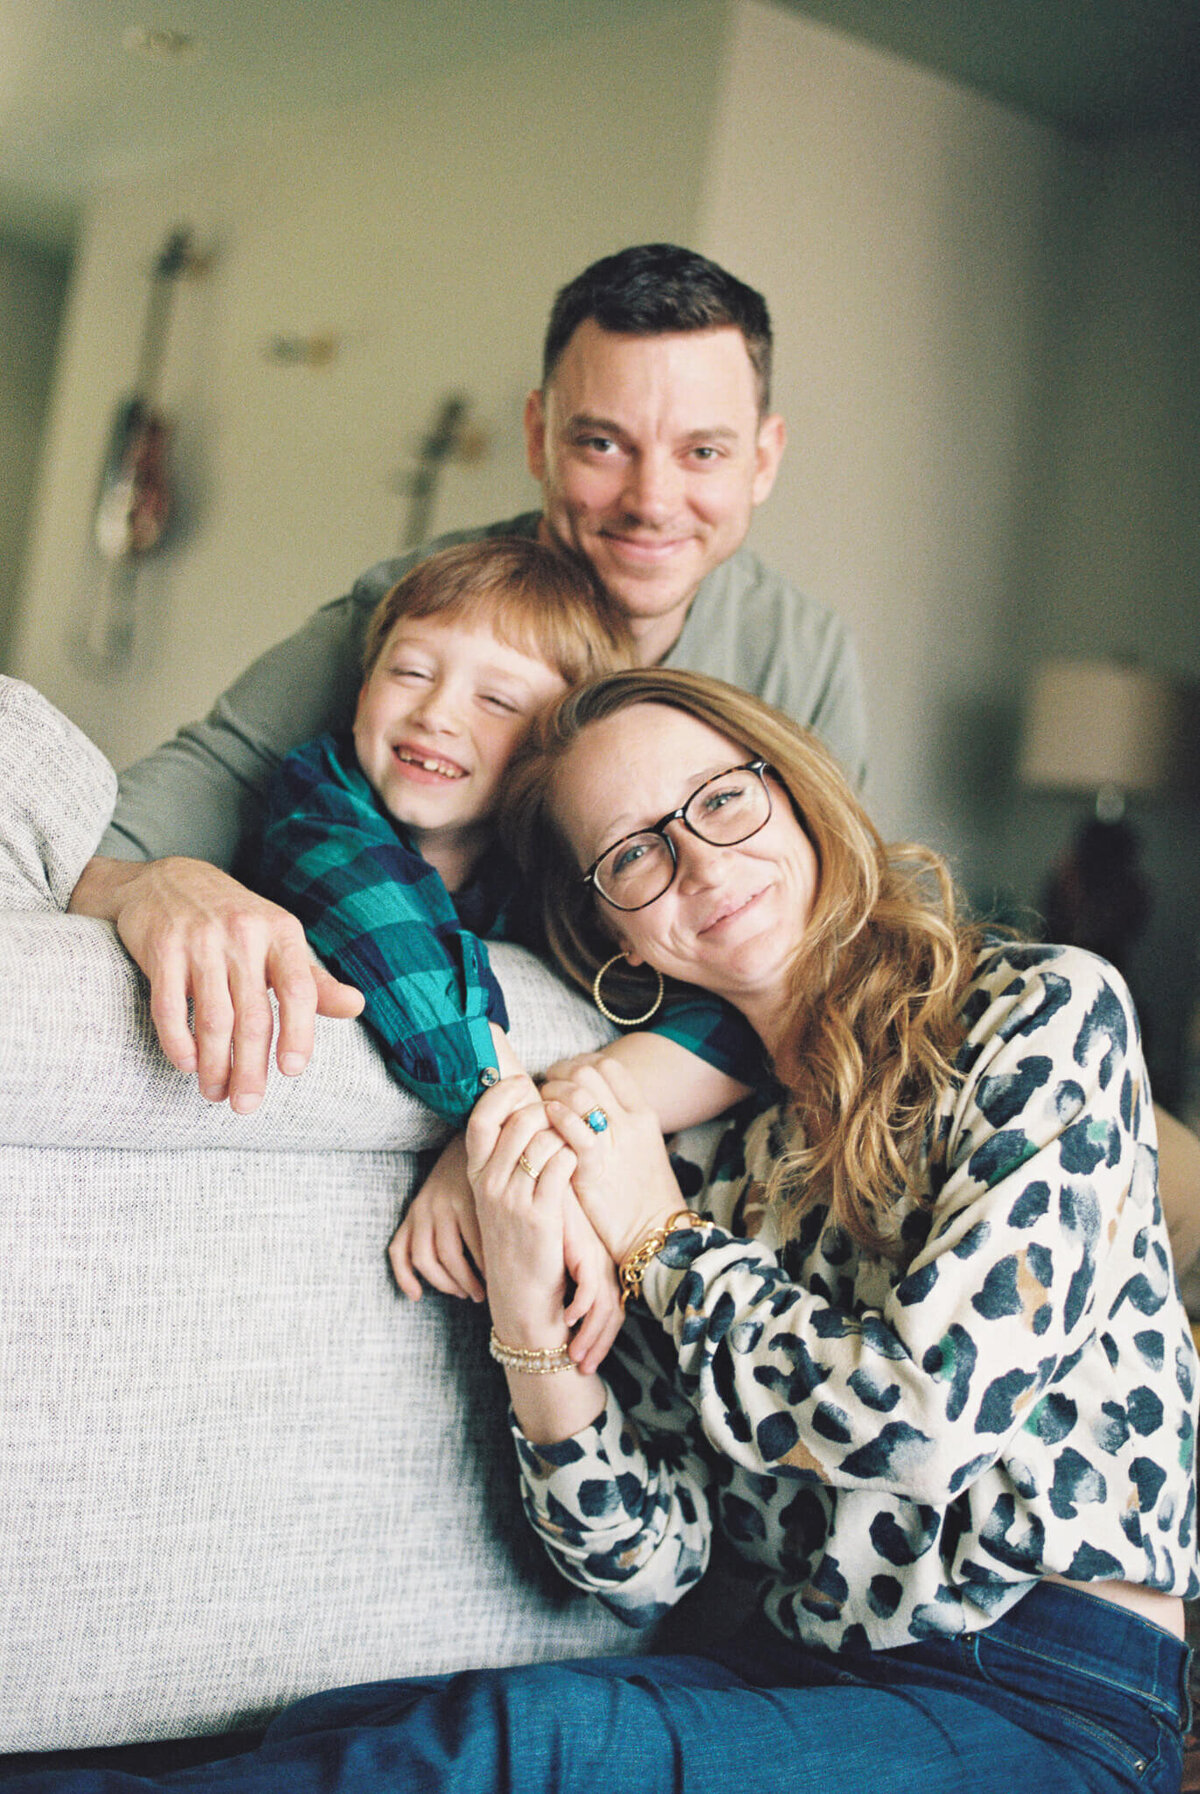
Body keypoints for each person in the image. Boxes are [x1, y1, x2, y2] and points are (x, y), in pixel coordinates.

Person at [22, 669, 1195, 1793]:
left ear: (794, 792)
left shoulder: (1040, 1010)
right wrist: (534, 1333)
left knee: (515, 1750)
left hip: (1050, 1691)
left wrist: (658, 1237)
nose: (698, 861)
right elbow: (653, 1564)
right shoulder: (704, 1153)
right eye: (633, 852)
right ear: (614, 935)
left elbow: (930, 1422)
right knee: (352, 1725)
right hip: (803, 1668)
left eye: (724, 800)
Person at [66, 243, 867, 1117]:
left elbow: (832, 949)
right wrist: (157, 884)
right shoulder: (413, 614)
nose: (651, 499)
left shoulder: (803, 658)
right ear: (537, 438)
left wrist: (575, 1112)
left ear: (763, 458)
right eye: (602, 443)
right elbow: (116, 834)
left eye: (704, 452)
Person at [259, 537, 754, 1362]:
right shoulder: (317, 799)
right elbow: (401, 955)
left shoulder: (560, 880)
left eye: (496, 701)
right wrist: (516, 1134)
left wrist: (524, 1136)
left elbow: (733, 1025)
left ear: (550, 758)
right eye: (410, 672)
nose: (437, 714)